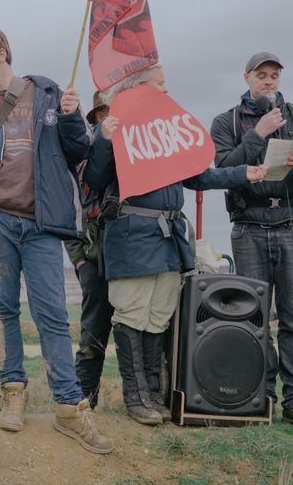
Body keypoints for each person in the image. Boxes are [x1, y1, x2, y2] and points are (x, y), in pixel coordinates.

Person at [0, 25, 113, 454]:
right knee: (2, 308)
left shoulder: (48, 94)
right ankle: (13, 393)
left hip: (41, 223)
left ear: (0, 53)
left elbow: (78, 151)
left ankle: (69, 407)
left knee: (51, 312)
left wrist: (72, 116)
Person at [86, 64, 266, 426]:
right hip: (132, 236)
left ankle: (153, 394)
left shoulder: (166, 132)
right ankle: (136, 396)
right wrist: (104, 139)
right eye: (161, 84)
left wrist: (242, 174)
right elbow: (95, 176)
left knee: (157, 318)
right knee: (132, 315)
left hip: (168, 239)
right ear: (140, 88)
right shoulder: (118, 128)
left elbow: (198, 176)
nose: (167, 91)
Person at [210, 52, 293, 430]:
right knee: (253, 317)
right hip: (249, 226)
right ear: (246, 78)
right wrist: (258, 134)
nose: (268, 81)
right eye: (261, 75)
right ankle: (258, 397)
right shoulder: (226, 122)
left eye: (274, 75)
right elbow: (223, 167)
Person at [62, 91, 112, 409]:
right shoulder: (79, 160)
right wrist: (79, 261)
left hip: (130, 254)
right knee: (92, 333)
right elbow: (69, 215)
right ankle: (85, 400)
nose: (107, 119)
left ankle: (144, 397)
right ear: (95, 119)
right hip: (93, 259)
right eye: (102, 114)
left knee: (139, 331)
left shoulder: (133, 154)